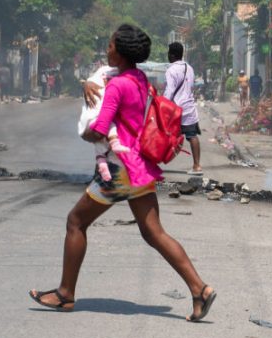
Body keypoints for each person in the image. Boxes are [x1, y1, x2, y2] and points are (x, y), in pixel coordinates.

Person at [29, 24, 216, 321]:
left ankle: (65, 294)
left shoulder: (117, 86)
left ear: (122, 51)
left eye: (110, 45)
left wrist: (86, 132)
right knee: (154, 232)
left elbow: (100, 129)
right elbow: (101, 78)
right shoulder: (139, 79)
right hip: (140, 166)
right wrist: (84, 84)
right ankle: (199, 289)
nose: (107, 49)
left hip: (119, 170)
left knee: (75, 222)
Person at [77, 65, 130, 182]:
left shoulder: (131, 76)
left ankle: (102, 172)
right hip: (101, 120)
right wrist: (87, 84)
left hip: (108, 122)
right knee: (105, 136)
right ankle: (102, 176)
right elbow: (91, 81)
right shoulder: (105, 71)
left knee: (101, 146)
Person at [164, 42, 202, 176]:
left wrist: (163, 104)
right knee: (192, 136)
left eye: (169, 53)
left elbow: (169, 90)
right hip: (189, 107)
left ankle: (152, 162)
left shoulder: (171, 70)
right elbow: (191, 86)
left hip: (176, 109)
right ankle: (197, 166)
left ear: (172, 55)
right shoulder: (189, 68)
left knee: (163, 133)